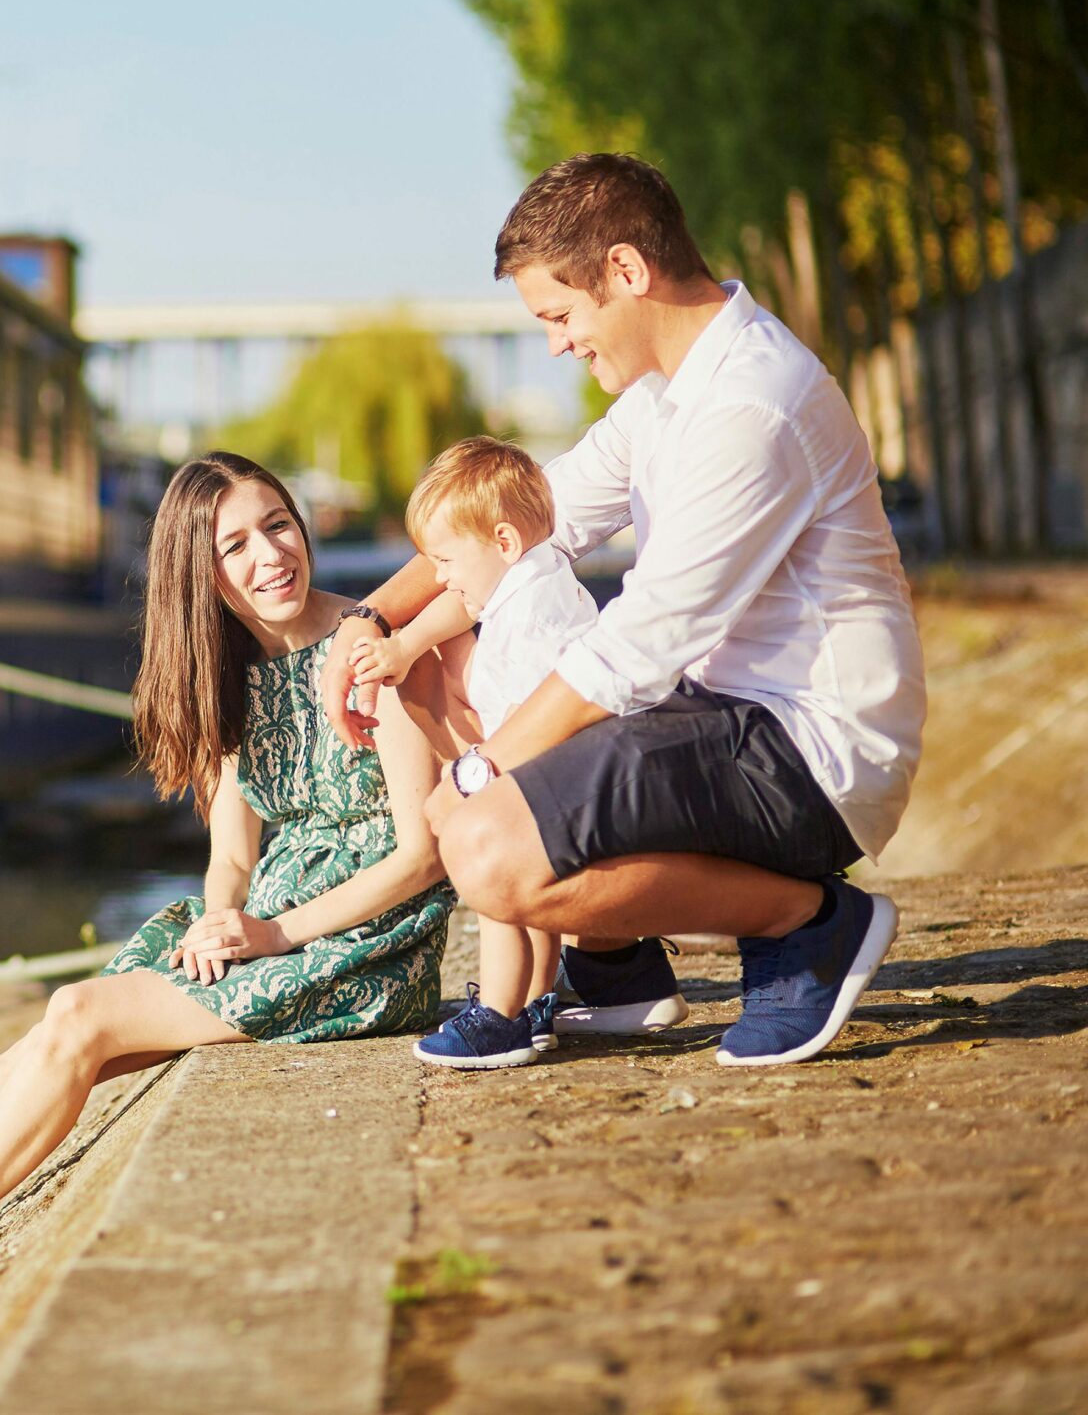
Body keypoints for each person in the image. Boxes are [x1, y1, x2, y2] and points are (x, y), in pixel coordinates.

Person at [0, 451, 454, 1369]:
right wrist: (220, 914)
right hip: (268, 929)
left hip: (362, 947)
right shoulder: (233, 677)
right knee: (48, 1035)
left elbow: (421, 853)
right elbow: (234, 851)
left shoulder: (374, 652)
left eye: (277, 526)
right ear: (197, 575)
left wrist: (271, 933)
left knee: (81, 1018)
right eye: (233, 546)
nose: (268, 558)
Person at [322, 153, 926, 1068]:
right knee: (466, 682)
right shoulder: (663, 399)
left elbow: (636, 648)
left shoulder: (751, 406)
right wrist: (369, 621)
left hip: (809, 747)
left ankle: (811, 924)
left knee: (485, 849)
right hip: (720, 716)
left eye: (560, 316)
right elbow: (519, 525)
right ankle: (622, 967)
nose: (558, 343)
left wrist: (481, 773)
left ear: (626, 272)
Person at [349, 436, 649, 1069]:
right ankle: (537, 1002)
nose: (440, 577)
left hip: (554, 781)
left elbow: (539, 718)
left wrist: (478, 784)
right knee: (529, 901)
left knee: (493, 884)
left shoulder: (534, 620)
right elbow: (458, 606)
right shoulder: (529, 585)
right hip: (575, 781)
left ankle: (501, 1016)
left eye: (446, 559)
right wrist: (401, 649)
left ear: (505, 544)